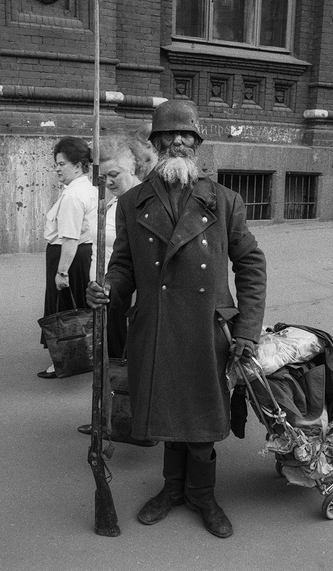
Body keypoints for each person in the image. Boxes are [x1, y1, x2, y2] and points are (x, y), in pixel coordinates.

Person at [86, 100, 267, 538]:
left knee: (201, 414)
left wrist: (246, 330)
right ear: (156, 144)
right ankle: (172, 489)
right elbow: (124, 265)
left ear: (197, 144)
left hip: (207, 326)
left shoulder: (225, 201)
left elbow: (251, 265)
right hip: (157, 323)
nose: (178, 141)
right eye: (168, 135)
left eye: (186, 135)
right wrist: (108, 287)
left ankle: (202, 495)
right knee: (166, 407)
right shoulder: (131, 202)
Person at [77, 132, 142, 433]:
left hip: (128, 295)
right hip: (106, 290)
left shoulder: (142, 205)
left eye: (114, 174)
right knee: (108, 355)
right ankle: (112, 416)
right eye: (103, 176)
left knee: (124, 358)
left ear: (135, 168)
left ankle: (125, 418)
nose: (109, 182)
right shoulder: (113, 202)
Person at [38, 136, 98, 378]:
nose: (57, 168)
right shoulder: (87, 189)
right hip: (81, 256)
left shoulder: (74, 195)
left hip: (68, 257)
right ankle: (84, 354)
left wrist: (62, 272)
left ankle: (63, 360)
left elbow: (70, 238)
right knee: (79, 310)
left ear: (78, 165)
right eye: (56, 163)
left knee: (63, 309)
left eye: (62, 163)